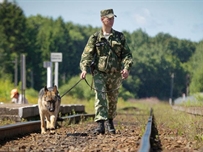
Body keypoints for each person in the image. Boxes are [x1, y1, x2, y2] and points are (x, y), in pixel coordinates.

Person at [80, 8, 133, 134]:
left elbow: (127, 55)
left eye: (113, 18)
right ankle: (100, 124)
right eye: (108, 18)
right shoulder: (95, 38)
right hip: (99, 73)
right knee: (100, 96)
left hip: (115, 74)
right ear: (102, 19)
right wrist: (84, 69)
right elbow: (86, 55)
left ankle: (110, 121)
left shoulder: (120, 37)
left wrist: (126, 68)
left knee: (112, 99)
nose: (111, 20)